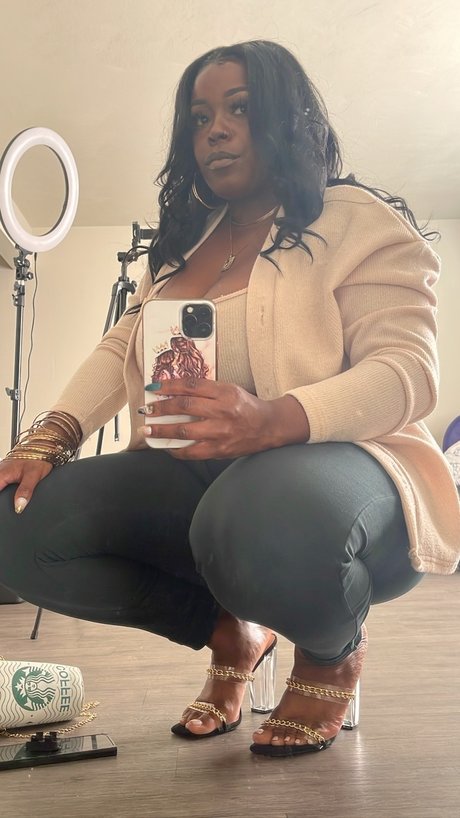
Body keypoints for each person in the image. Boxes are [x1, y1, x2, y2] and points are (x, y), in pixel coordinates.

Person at [0, 40, 459, 759]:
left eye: (240, 109)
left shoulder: (358, 220)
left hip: (350, 481)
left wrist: (272, 420)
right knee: (14, 523)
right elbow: (123, 344)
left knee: (250, 514)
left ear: (289, 117)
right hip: (203, 480)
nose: (215, 129)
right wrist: (51, 435)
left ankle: (329, 652)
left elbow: (407, 372)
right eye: (200, 117)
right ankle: (230, 634)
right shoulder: (186, 243)